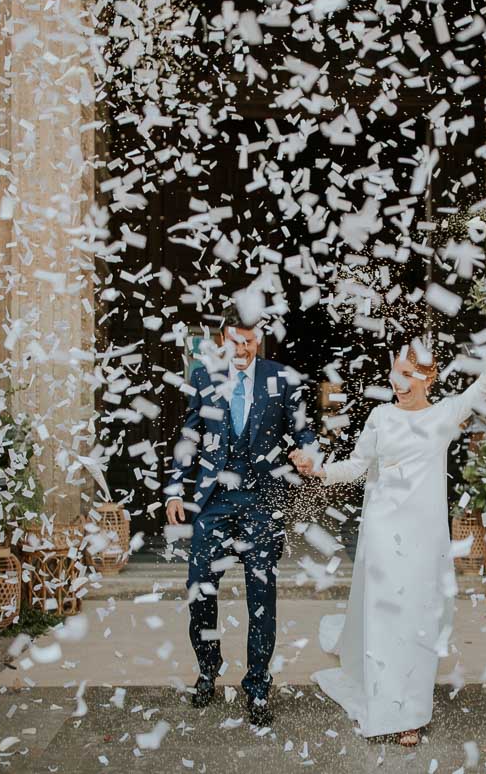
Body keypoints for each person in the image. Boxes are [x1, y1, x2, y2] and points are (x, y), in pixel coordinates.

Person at [295, 305, 486, 746]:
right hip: (381, 535)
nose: (398, 383)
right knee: (385, 620)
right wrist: (317, 470)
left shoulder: (446, 414)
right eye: (395, 373)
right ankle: (388, 709)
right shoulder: (380, 418)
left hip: (424, 538)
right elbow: (358, 466)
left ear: (428, 379)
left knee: (417, 621)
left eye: (407, 376)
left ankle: (411, 710)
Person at [164, 305, 318, 727]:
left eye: (250, 343)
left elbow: (304, 430)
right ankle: (207, 670)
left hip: (263, 503)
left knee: (261, 598)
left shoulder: (280, 379)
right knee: (200, 591)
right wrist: (175, 487)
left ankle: (257, 686)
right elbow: (190, 434)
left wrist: (309, 452)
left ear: (259, 340)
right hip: (214, 502)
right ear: (223, 339)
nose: (243, 350)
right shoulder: (204, 376)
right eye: (236, 342)